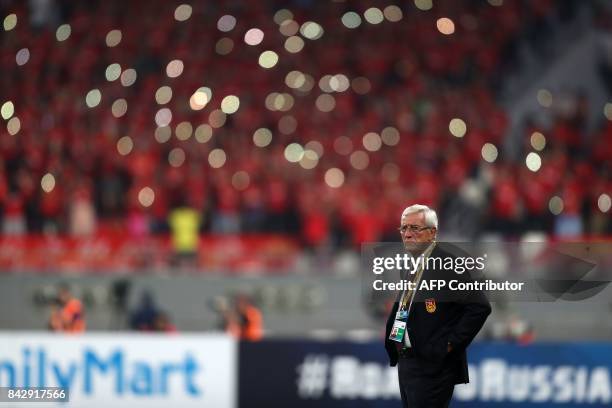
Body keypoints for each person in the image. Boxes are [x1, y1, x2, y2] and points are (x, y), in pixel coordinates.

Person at [384, 204, 491, 407]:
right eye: (403, 228)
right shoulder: (414, 264)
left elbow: (480, 307)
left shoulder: (448, 265)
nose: (407, 234)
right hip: (408, 361)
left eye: (414, 228)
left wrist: (448, 344)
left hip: (432, 366)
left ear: (432, 233)